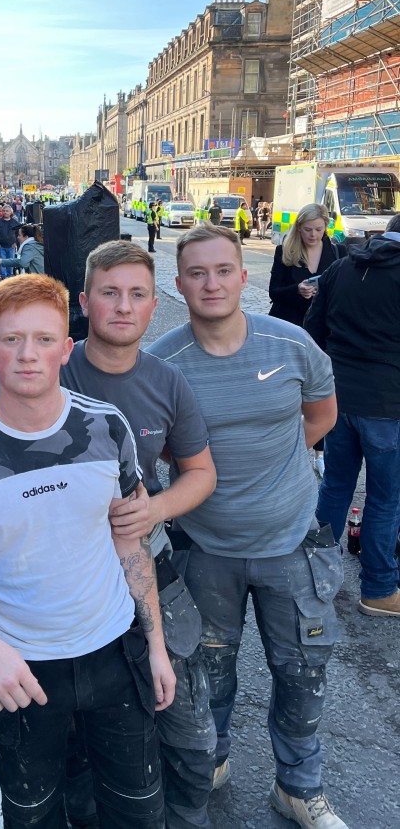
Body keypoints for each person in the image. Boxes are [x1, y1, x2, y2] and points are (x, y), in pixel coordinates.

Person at [0, 241, 218, 829]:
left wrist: (154, 643)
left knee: (141, 802)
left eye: (44, 341)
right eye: (11, 341)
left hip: (114, 647)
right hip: (24, 668)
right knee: (38, 813)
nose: (29, 356)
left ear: (64, 348)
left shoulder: (111, 424)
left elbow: (135, 538)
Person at [149, 223, 347, 829]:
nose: (212, 283)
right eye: (197, 273)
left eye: (223, 270)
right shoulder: (163, 364)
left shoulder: (291, 345)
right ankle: (211, 763)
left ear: (244, 275)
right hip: (205, 551)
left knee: (301, 676)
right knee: (209, 675)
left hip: (291, 545)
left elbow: (321, 416)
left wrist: (270, 479)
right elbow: (159, 449)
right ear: (178, 284)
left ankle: (298, 787)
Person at [304, 213, 400, 619]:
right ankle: (378, 589)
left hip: (337, 399)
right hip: (387, 404)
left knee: (336, 487)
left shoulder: (343, 266)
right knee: (385, 498)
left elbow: (312, 328)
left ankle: (314, 578)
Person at [268, 204, 341, 478]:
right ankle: (284, 447)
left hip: (321, 330)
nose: (313, 235)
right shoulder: (284, 252)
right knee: (286, 390)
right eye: (308, 230)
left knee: (320, 391)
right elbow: (275, 292)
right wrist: (297, 290)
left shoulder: (335, 252)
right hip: (289, 328)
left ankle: (320, 453)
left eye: (319, 230)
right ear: (299, 228)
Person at [0, 204, 21, 278]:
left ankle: (10, 277)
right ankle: (3, 277)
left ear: (10, 212)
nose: (5, 212)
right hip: (1, 246)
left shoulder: (15, 222)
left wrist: (16, 243)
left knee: (10, 262)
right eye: (4, 211)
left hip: (11, 246)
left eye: (7, 211)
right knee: (2, 262)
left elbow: (19, 234)